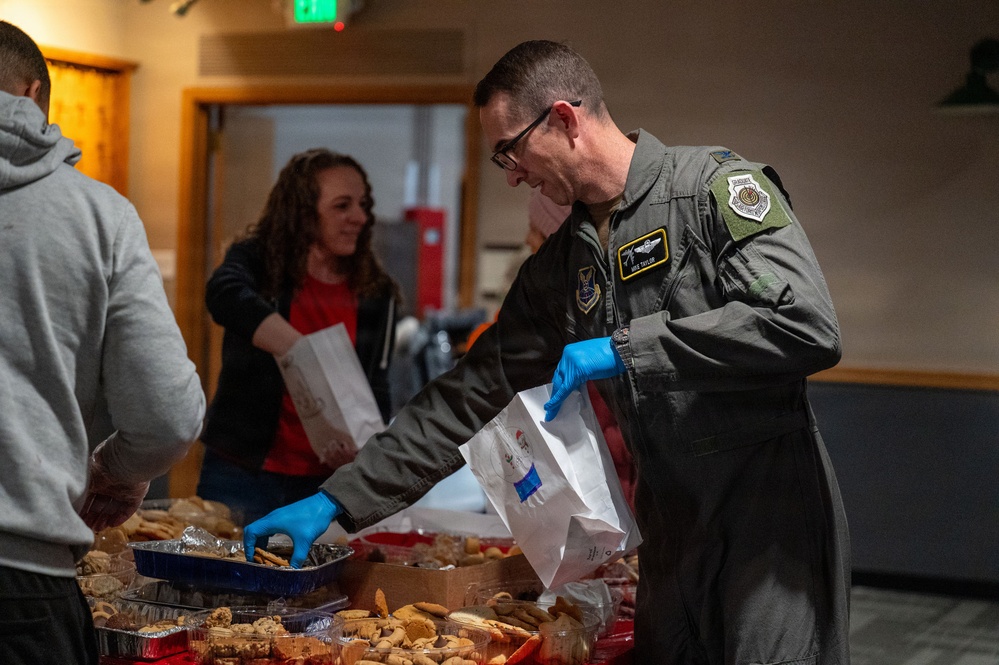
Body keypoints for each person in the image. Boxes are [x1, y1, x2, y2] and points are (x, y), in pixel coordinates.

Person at [245, 40, 850, 665]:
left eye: (512, 150)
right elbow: (468, 396)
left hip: (769, 525)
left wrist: (626, 348)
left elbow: (804, 323)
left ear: (564, 117)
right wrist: (337, 500)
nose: (511, 174)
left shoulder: (711, 191)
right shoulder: (562, 267)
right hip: (670, 534)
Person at [0, 21, 206, 665]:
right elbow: (168, 414)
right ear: (34, 95)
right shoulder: (96, 217)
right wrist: (115, 471)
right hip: (19, 579)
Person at [197, 148, 400, 525]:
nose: (360, 217)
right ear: (304, 213)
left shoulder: (377, 292)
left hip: (325, 485)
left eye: (363, 204)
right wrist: (300, 351)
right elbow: (223, 294)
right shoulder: (258, 262)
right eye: (343, 206)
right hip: (242, 471)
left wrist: (363, 448)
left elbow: (379, 387)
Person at [467, 188, 637, 510]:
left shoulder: (588, 328)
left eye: (538, 230)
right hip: (574, 499)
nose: (529, 239)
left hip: (601, 501)